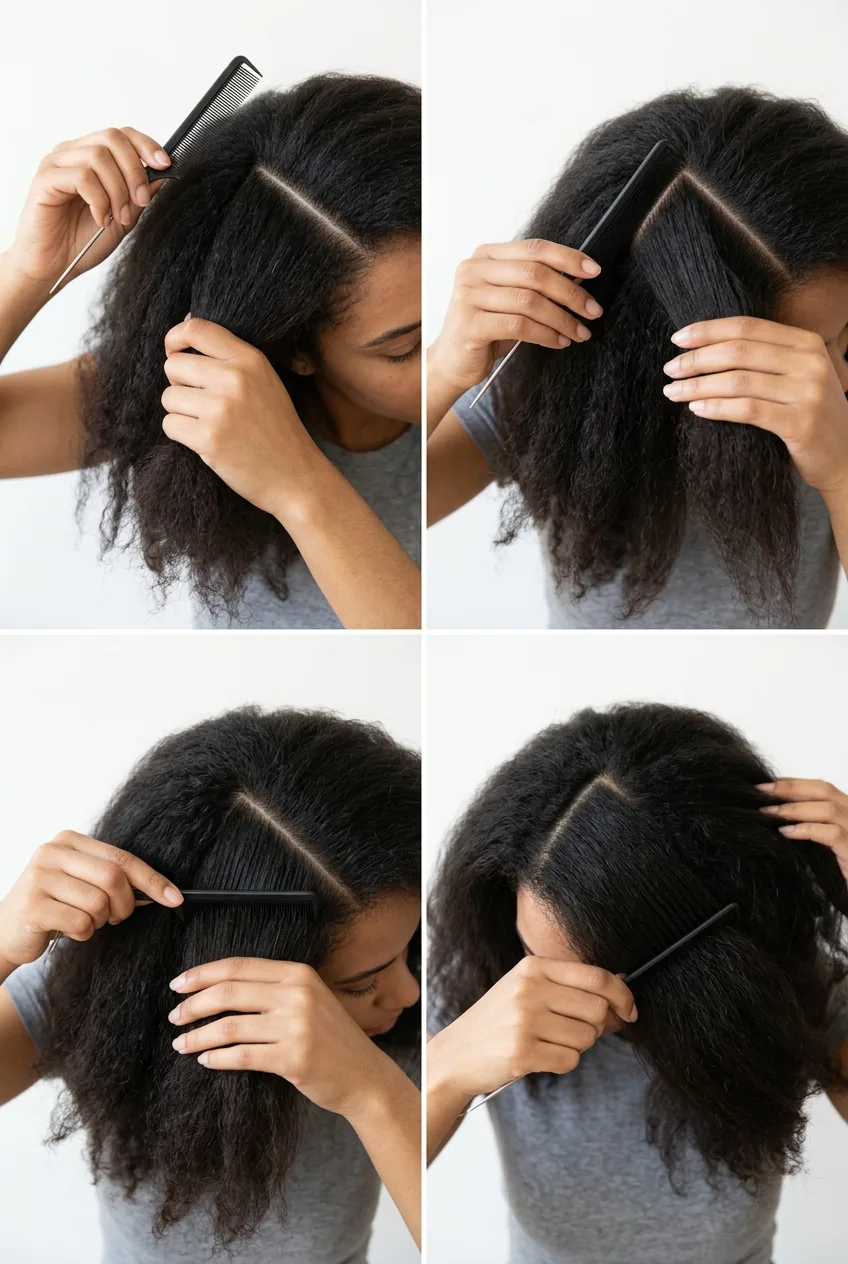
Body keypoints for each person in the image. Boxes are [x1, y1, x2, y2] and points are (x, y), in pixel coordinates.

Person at [427, 702, 848, 1263]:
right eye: (534, 954)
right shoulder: (483, 990)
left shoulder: (801, 991)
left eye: (595, 972)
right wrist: (446, 1073)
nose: (549, 988)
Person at [0, 74, 421, 630]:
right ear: (297, 347)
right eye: (407, 347)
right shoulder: (198, 398)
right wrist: (29, 270)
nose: (450, 357)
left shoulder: (493, 385)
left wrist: (300, 490)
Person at [0, 706, 421, 1261]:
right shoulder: (96, 997)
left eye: (407, 952)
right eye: (361, 983)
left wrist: (375, 1094)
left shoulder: (410, 1032)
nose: (409, 991)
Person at [428, 86, 848, 629]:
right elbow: (400, 506)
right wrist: (440, 369)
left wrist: (839, 471)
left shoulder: (835, 415)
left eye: (844, 337)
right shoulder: (541, 396)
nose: (829, 380)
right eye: (785, 359)